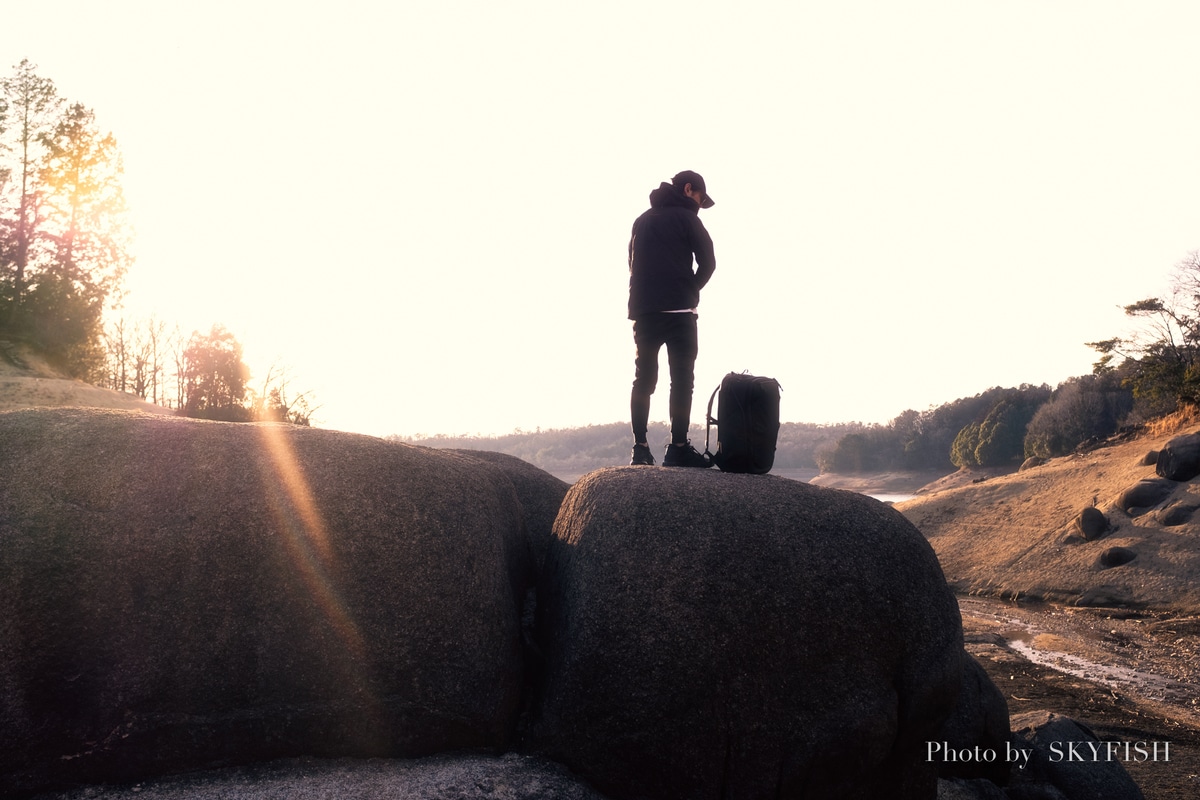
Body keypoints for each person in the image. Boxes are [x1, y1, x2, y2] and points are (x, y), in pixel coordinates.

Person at [627, 170, 716, 468]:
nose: (699, 205)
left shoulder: (642, 220)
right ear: (688, 189)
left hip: (645, 312)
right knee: (681, 381)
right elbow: (709, 263)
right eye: (700, 198)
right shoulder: (689, 219)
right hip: (679, 313)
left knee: (644, 380)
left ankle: (640, 449)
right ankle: (677, 447)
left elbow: (631, 262)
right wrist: (690, 288)